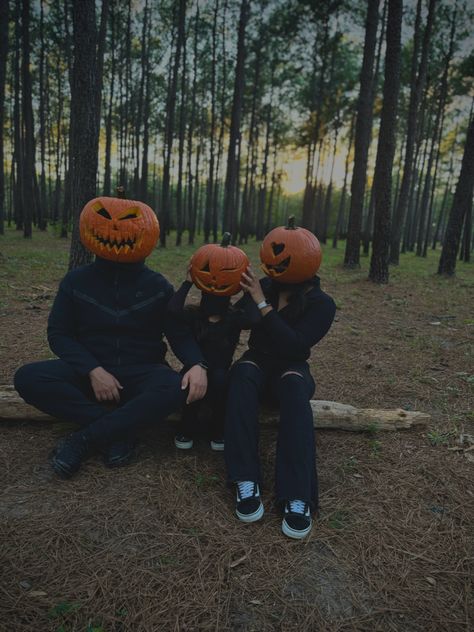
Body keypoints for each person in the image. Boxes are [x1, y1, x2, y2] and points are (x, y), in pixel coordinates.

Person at [14, 193, 207, 478]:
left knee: (172, 387)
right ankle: (117, 431)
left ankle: (84, 439)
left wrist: (197, 364)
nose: (116, 230)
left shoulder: (157, 286)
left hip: (142, 372)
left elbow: (177, 332)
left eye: (129, 222)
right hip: (90, 372)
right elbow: (59, 334)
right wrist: (92, 369)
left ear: (147, 233)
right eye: (105, 219)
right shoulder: (76, 281)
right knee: (28, 378)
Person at [224, 223, 335, 539]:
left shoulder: (321, 303)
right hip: (257, 362)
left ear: (307, 260)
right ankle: (246, 480)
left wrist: (261, 304)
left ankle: (298, 496)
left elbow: (296, 346)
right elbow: (239, 322)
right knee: (242, 374)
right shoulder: (265, 285)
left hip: (291, 368)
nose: (274, 262)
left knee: (295, 390)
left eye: (283, 255)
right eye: (272, 251)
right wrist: (234, 293)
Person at [167, 263, 257, 452]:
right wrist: (188, 282)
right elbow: (173, 310)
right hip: (194, 369)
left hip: (220, 373)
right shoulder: (194, 315)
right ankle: (187, 427)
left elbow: (253, 319)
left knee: (220, 380)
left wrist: (249, 291)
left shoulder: (233, 318)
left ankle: (218, 429)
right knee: (189, 382)